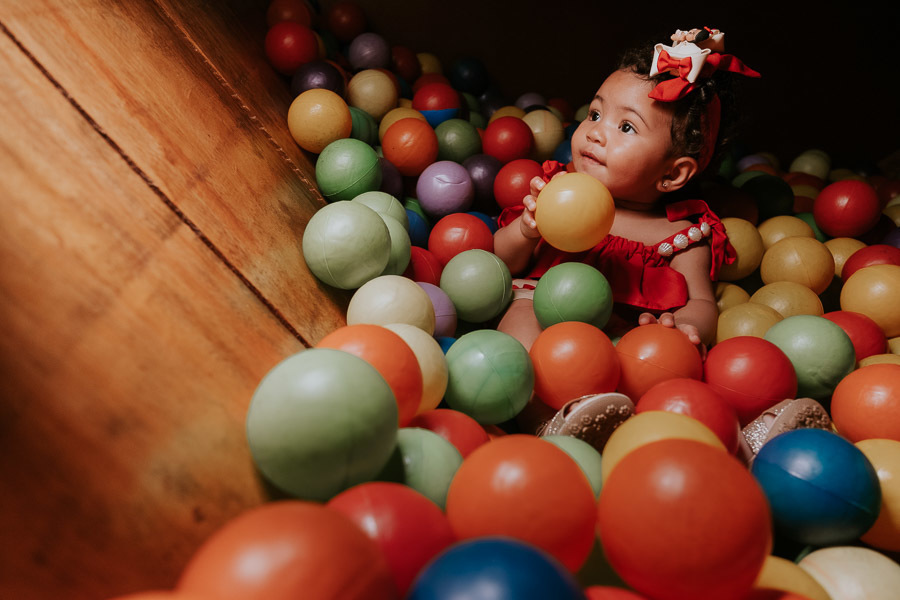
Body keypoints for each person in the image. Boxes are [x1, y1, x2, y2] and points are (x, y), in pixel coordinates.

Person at [493, 29, 760, 355]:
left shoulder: (680, 237)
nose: (595, 133)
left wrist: (683, 326)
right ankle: (531, 383)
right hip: (541, 304)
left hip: (623, 338)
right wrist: (525, 232)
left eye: (626, 127)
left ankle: (598, 385)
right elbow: (502, 262)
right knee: (522, 321)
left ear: (673, 173)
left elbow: (702, 303)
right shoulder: (556, 194)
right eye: (595, 114)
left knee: (647, 356)